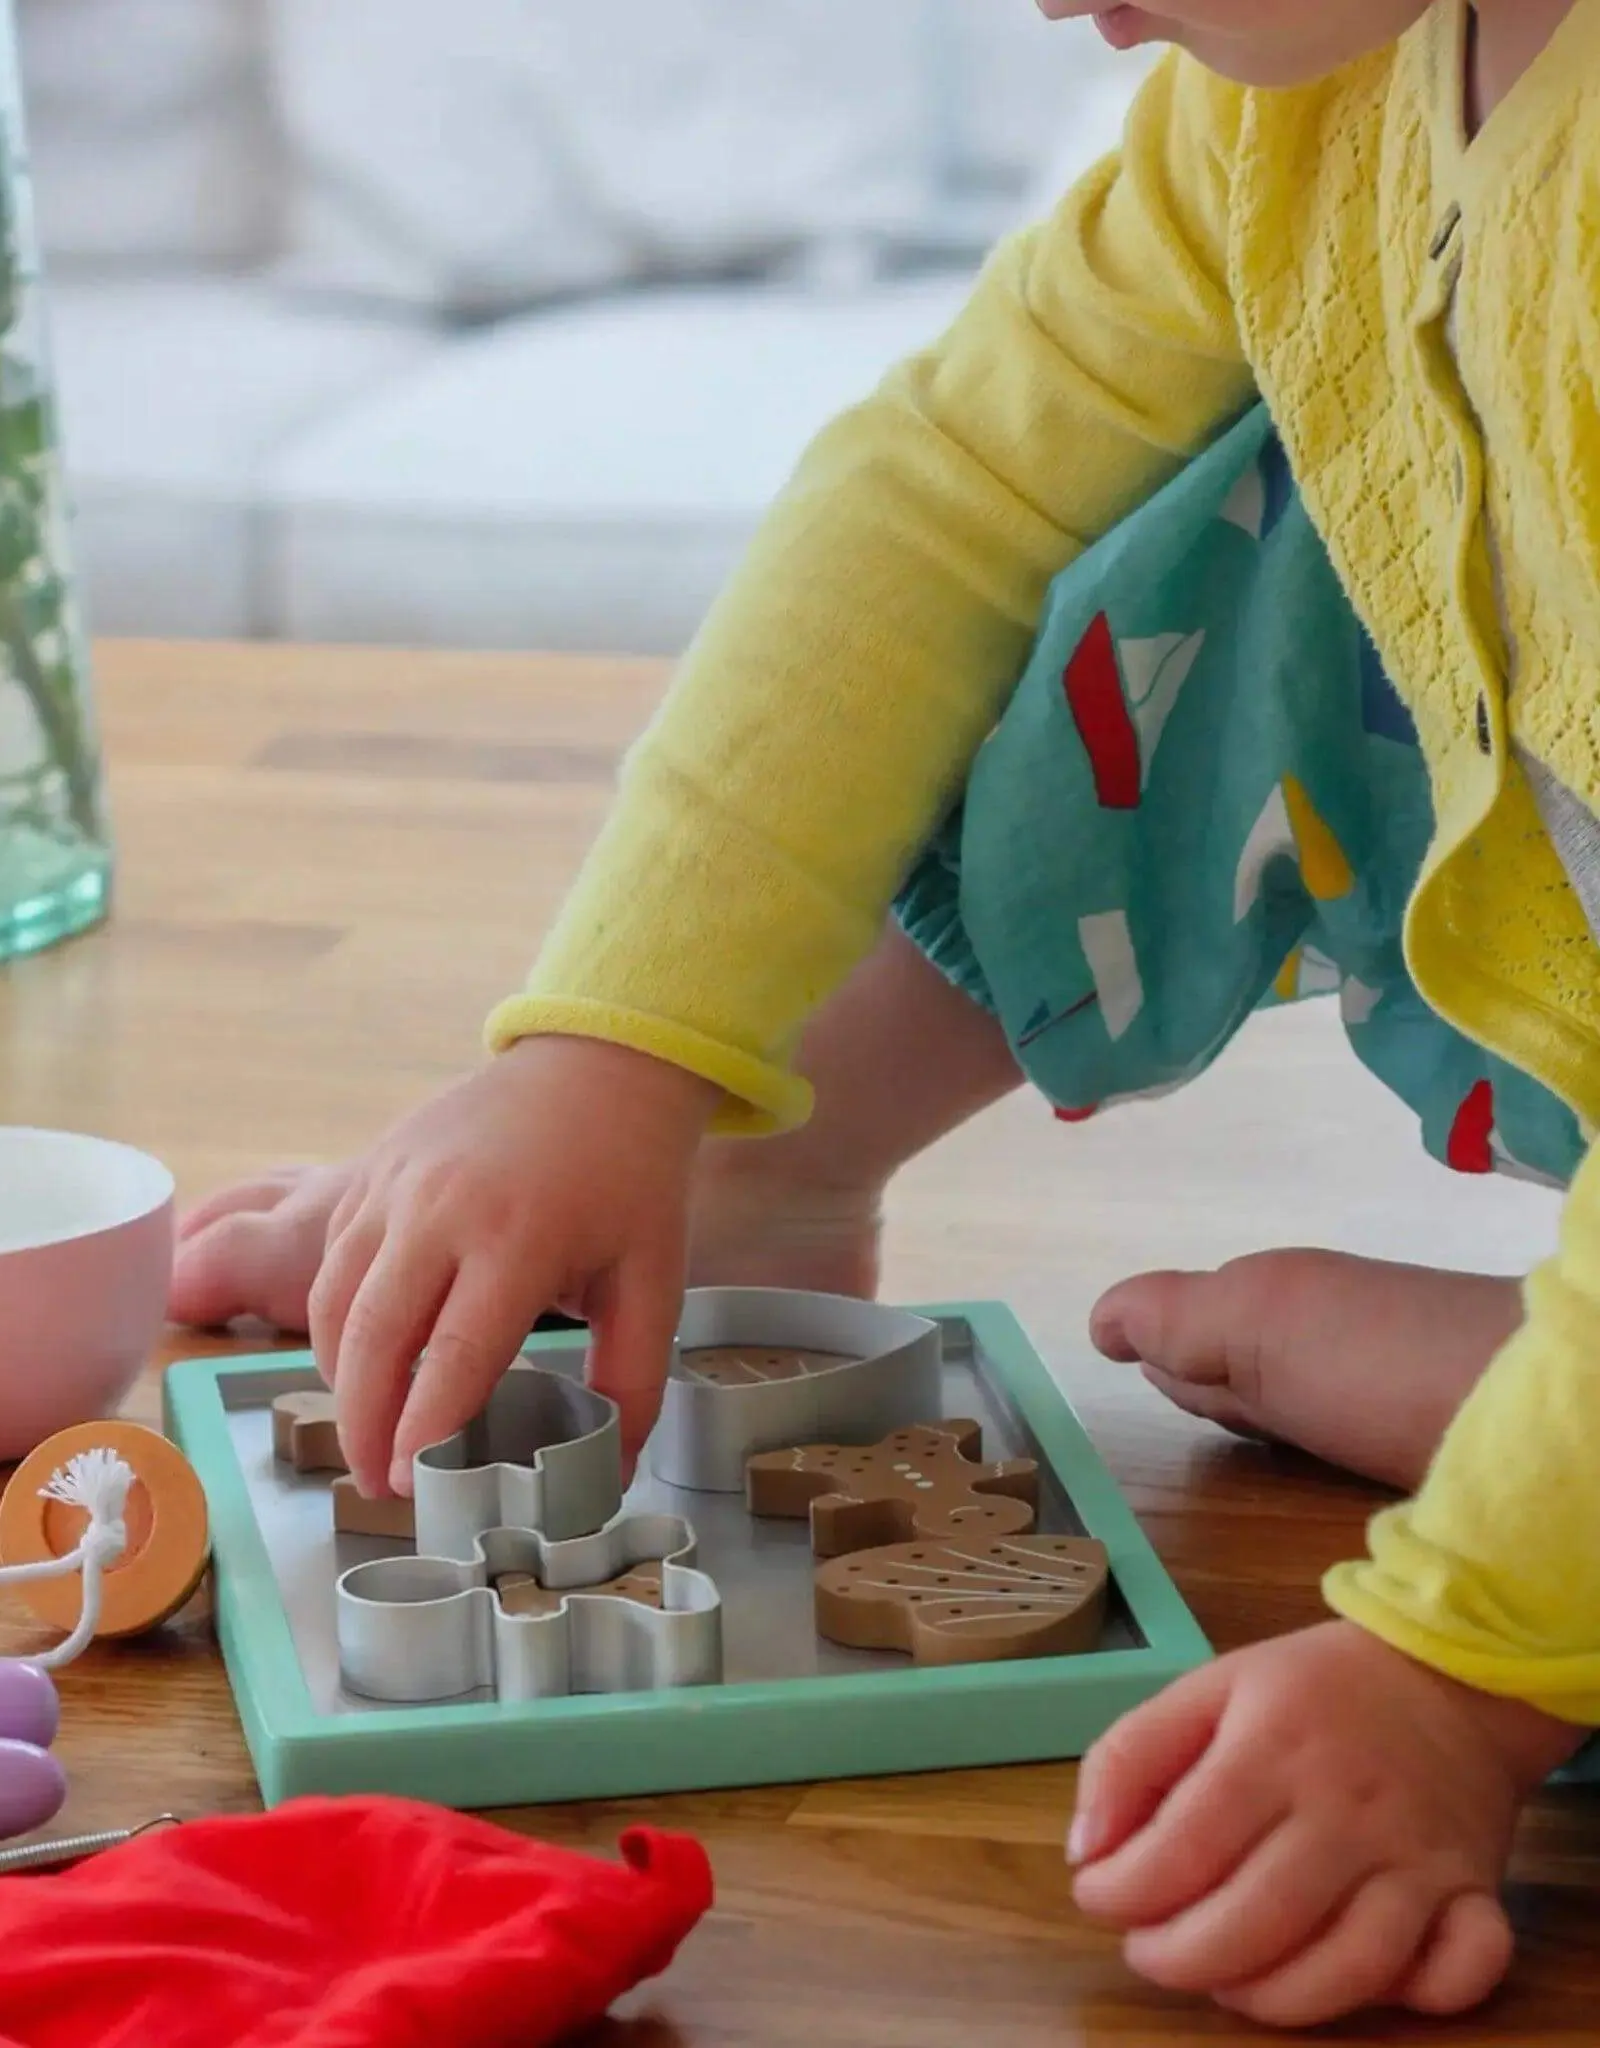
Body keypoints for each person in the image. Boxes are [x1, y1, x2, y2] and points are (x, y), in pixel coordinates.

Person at [171, 0, 1600, 2025]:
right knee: (1212, 508)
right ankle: (774, 1156)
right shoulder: (1290, 110)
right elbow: (933, 497)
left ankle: (1522, 1428)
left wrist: (1461, 1679)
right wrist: (624, 1047)